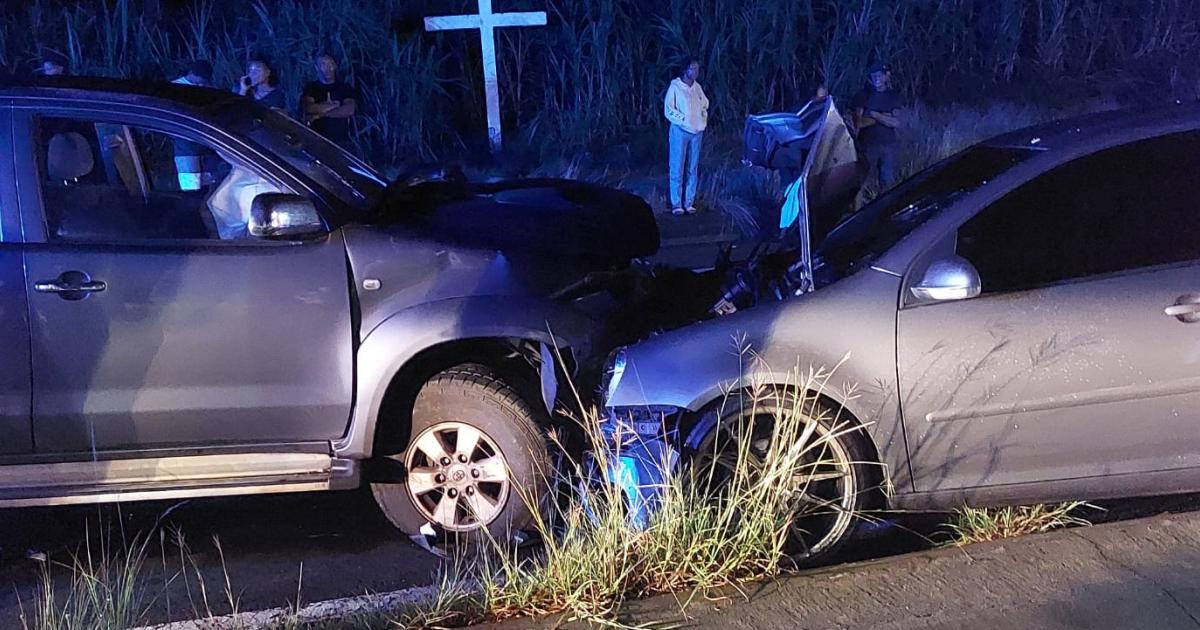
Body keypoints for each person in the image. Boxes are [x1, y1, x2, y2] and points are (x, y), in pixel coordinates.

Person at [663, 56, 709, 216]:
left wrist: (702, 120)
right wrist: (683, 119)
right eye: (692, 68)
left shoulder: (697, 88)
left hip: (696, 133)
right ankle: (677, 204)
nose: (695, 72)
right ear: (685, 69)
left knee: (692, 168)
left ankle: (689, 202)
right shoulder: (675, 87)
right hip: (680, 132)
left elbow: (705, 104)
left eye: (697, 69)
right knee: (677, 166)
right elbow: (668, 110)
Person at [850, 62, 903, 189]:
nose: (877, 78)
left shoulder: (893, 96)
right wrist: (885, 116)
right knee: (861, 183)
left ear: (886, 76)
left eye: (880, 75)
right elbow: (859, 123)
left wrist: (874, 114)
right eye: (874, 75)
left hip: (888, 145)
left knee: (887, 183)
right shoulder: (862, 96)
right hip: (867, 146)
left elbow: (897, 122)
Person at [171, 61, 218, 190]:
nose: (202, 82)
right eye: (200, 79)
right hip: (185, 145)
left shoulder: (208, 87)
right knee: (190, 186)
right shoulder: (174, 88)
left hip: (207, 144)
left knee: (210, 185)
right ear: (191, 73)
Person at [301, 54, 360, 149]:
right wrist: (335, 106)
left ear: (335, 66)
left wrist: (320, 114)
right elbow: (309, 108)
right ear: (316, 67)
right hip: (317, 139)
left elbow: (349, 110)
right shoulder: (311, 88)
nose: (328, 68)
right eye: (323, 64)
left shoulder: (344, 88)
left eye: (330, 64)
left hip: (342, 142)